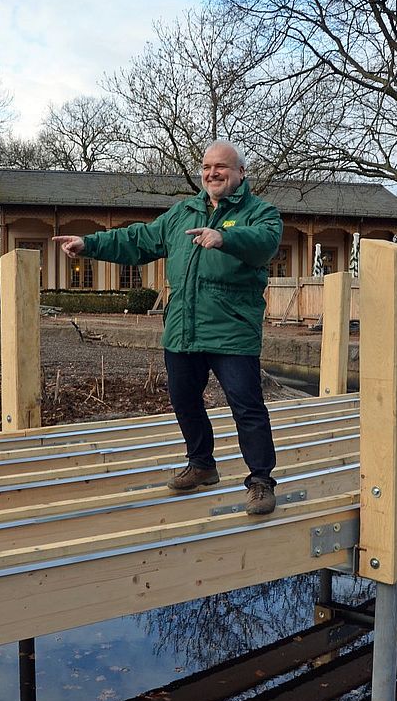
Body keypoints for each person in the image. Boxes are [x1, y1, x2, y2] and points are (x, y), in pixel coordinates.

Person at [52, 140, 282, 515]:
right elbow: (138, 239)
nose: (212, 173)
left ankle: (260, 481)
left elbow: (264, 244)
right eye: (207, 167)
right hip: (182, 328)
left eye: (221, 167)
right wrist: (88, 243)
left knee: (246, 406)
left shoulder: (261, 213)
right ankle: (202, 464)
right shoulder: (183, 213)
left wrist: (225, 238)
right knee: (183, 400)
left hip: (232, 330)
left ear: (241, 172)